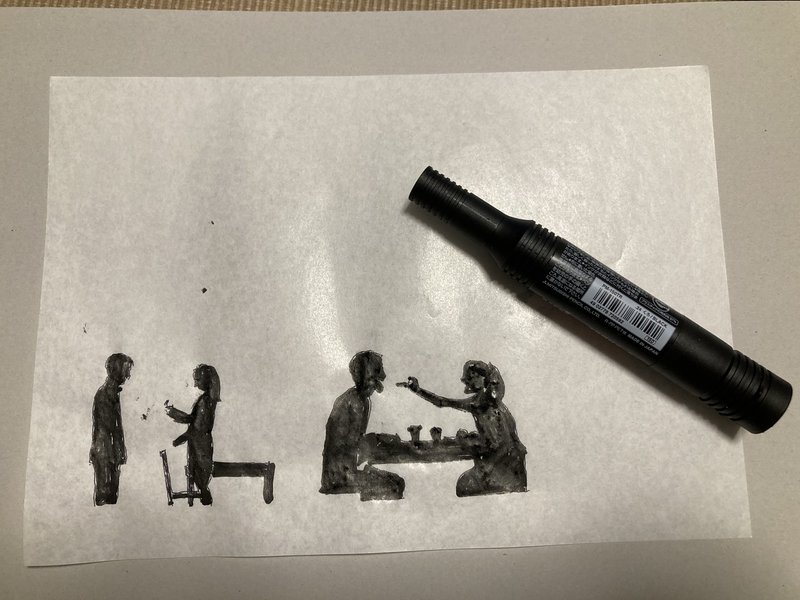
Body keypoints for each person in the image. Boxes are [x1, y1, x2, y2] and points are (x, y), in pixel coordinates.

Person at [398, 360, 527, 497]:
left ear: (482, 378)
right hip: (511, 467)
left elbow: (495, 445)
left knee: (464, 486)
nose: (468, 382)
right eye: (468, 378)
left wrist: (467, 442)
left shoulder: (483, 403)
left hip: (502, 469)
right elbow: (441, 402)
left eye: (472, 377)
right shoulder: (486, 404)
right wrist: (418, 390)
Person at [320, 350, 405, 501]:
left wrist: (380, 439)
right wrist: (382, 441)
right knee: (395, 486)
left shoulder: (361, 399)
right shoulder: (356, 402)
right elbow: (355, 443)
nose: (383, 378)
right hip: (339, 477)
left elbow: (357, 441)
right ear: (367, 377)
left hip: (344, 471)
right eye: (378, 372)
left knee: (397, 482)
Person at [166, 364, 220, 506]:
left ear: (205, 380)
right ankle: (204, 494)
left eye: (197, 380)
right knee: (197, 472)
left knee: (199, 472)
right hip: (199, 443)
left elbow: (197, 426)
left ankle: (204, 494)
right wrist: (174, 413)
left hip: (200, 444)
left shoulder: (206, 401)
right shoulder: (206, 399)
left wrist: (180, 437)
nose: (195, 384)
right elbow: (194, 420)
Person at [90, 353, 134, 506]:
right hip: (105, 454)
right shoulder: (104, 394)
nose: (128, 375)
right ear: (117, 370)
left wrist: (119, 451)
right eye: (126, 370)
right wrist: (118, 451)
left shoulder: (112, 393)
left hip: (111, 453)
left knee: (111, 498)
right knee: (104, 498)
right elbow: (109, 428)